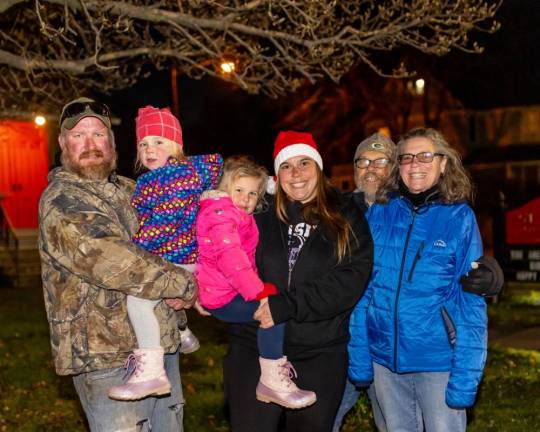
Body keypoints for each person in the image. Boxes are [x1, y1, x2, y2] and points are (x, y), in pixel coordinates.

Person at [38, 97, 196, 431]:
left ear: (112, 143)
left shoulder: (135, 190)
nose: (91, 144)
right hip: (106, 359)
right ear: (63, 144)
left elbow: (181, 227)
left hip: (161, 349)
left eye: (99, 134)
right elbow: (114, 260)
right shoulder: (62, 200)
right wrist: (184, 283)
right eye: (79, 136)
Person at [223, 131, 374, 432]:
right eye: (287, 166)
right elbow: (221, 247)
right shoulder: (258, 211)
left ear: (318, 167)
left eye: (305, 162)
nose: (297, 173)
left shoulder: (346, 215)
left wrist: (287, 305)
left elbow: (350, 280)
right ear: (277, 175)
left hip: (319, 351)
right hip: (254, 345)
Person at [348, 127, 488, 432]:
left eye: (425, 156)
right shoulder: (381, 213)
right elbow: (363, 289)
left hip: (437, 360)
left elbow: (470, 302)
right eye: (407, 157)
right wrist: (360, 353)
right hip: (385, 360)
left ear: (443, 163)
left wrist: (467, 375)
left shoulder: (459, 218)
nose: (415, 164)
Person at [108, 106, 223, 401]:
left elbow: (159, 225)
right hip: (186, 259)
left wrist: (134, 246)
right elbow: (221, 169)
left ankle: (152, 371)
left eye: (159, 141)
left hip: (175, 256)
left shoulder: (166, 180)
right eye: (143, 144)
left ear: (176, 144)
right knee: (168, 300)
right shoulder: (190, 171)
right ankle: (183, 332)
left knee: (138, 302)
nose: (149, 149)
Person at [196, 155, 316, 409]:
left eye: (253, 194)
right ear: (223, 189)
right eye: (238, 190)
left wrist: (273, 185)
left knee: (272, 308)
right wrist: (258, 292)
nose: (246, 199)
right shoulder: (221, 216)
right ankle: (272, 376)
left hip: (225, 290)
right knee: (272, 311)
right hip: (222, 296)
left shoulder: (233, 213)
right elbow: (231, 260)